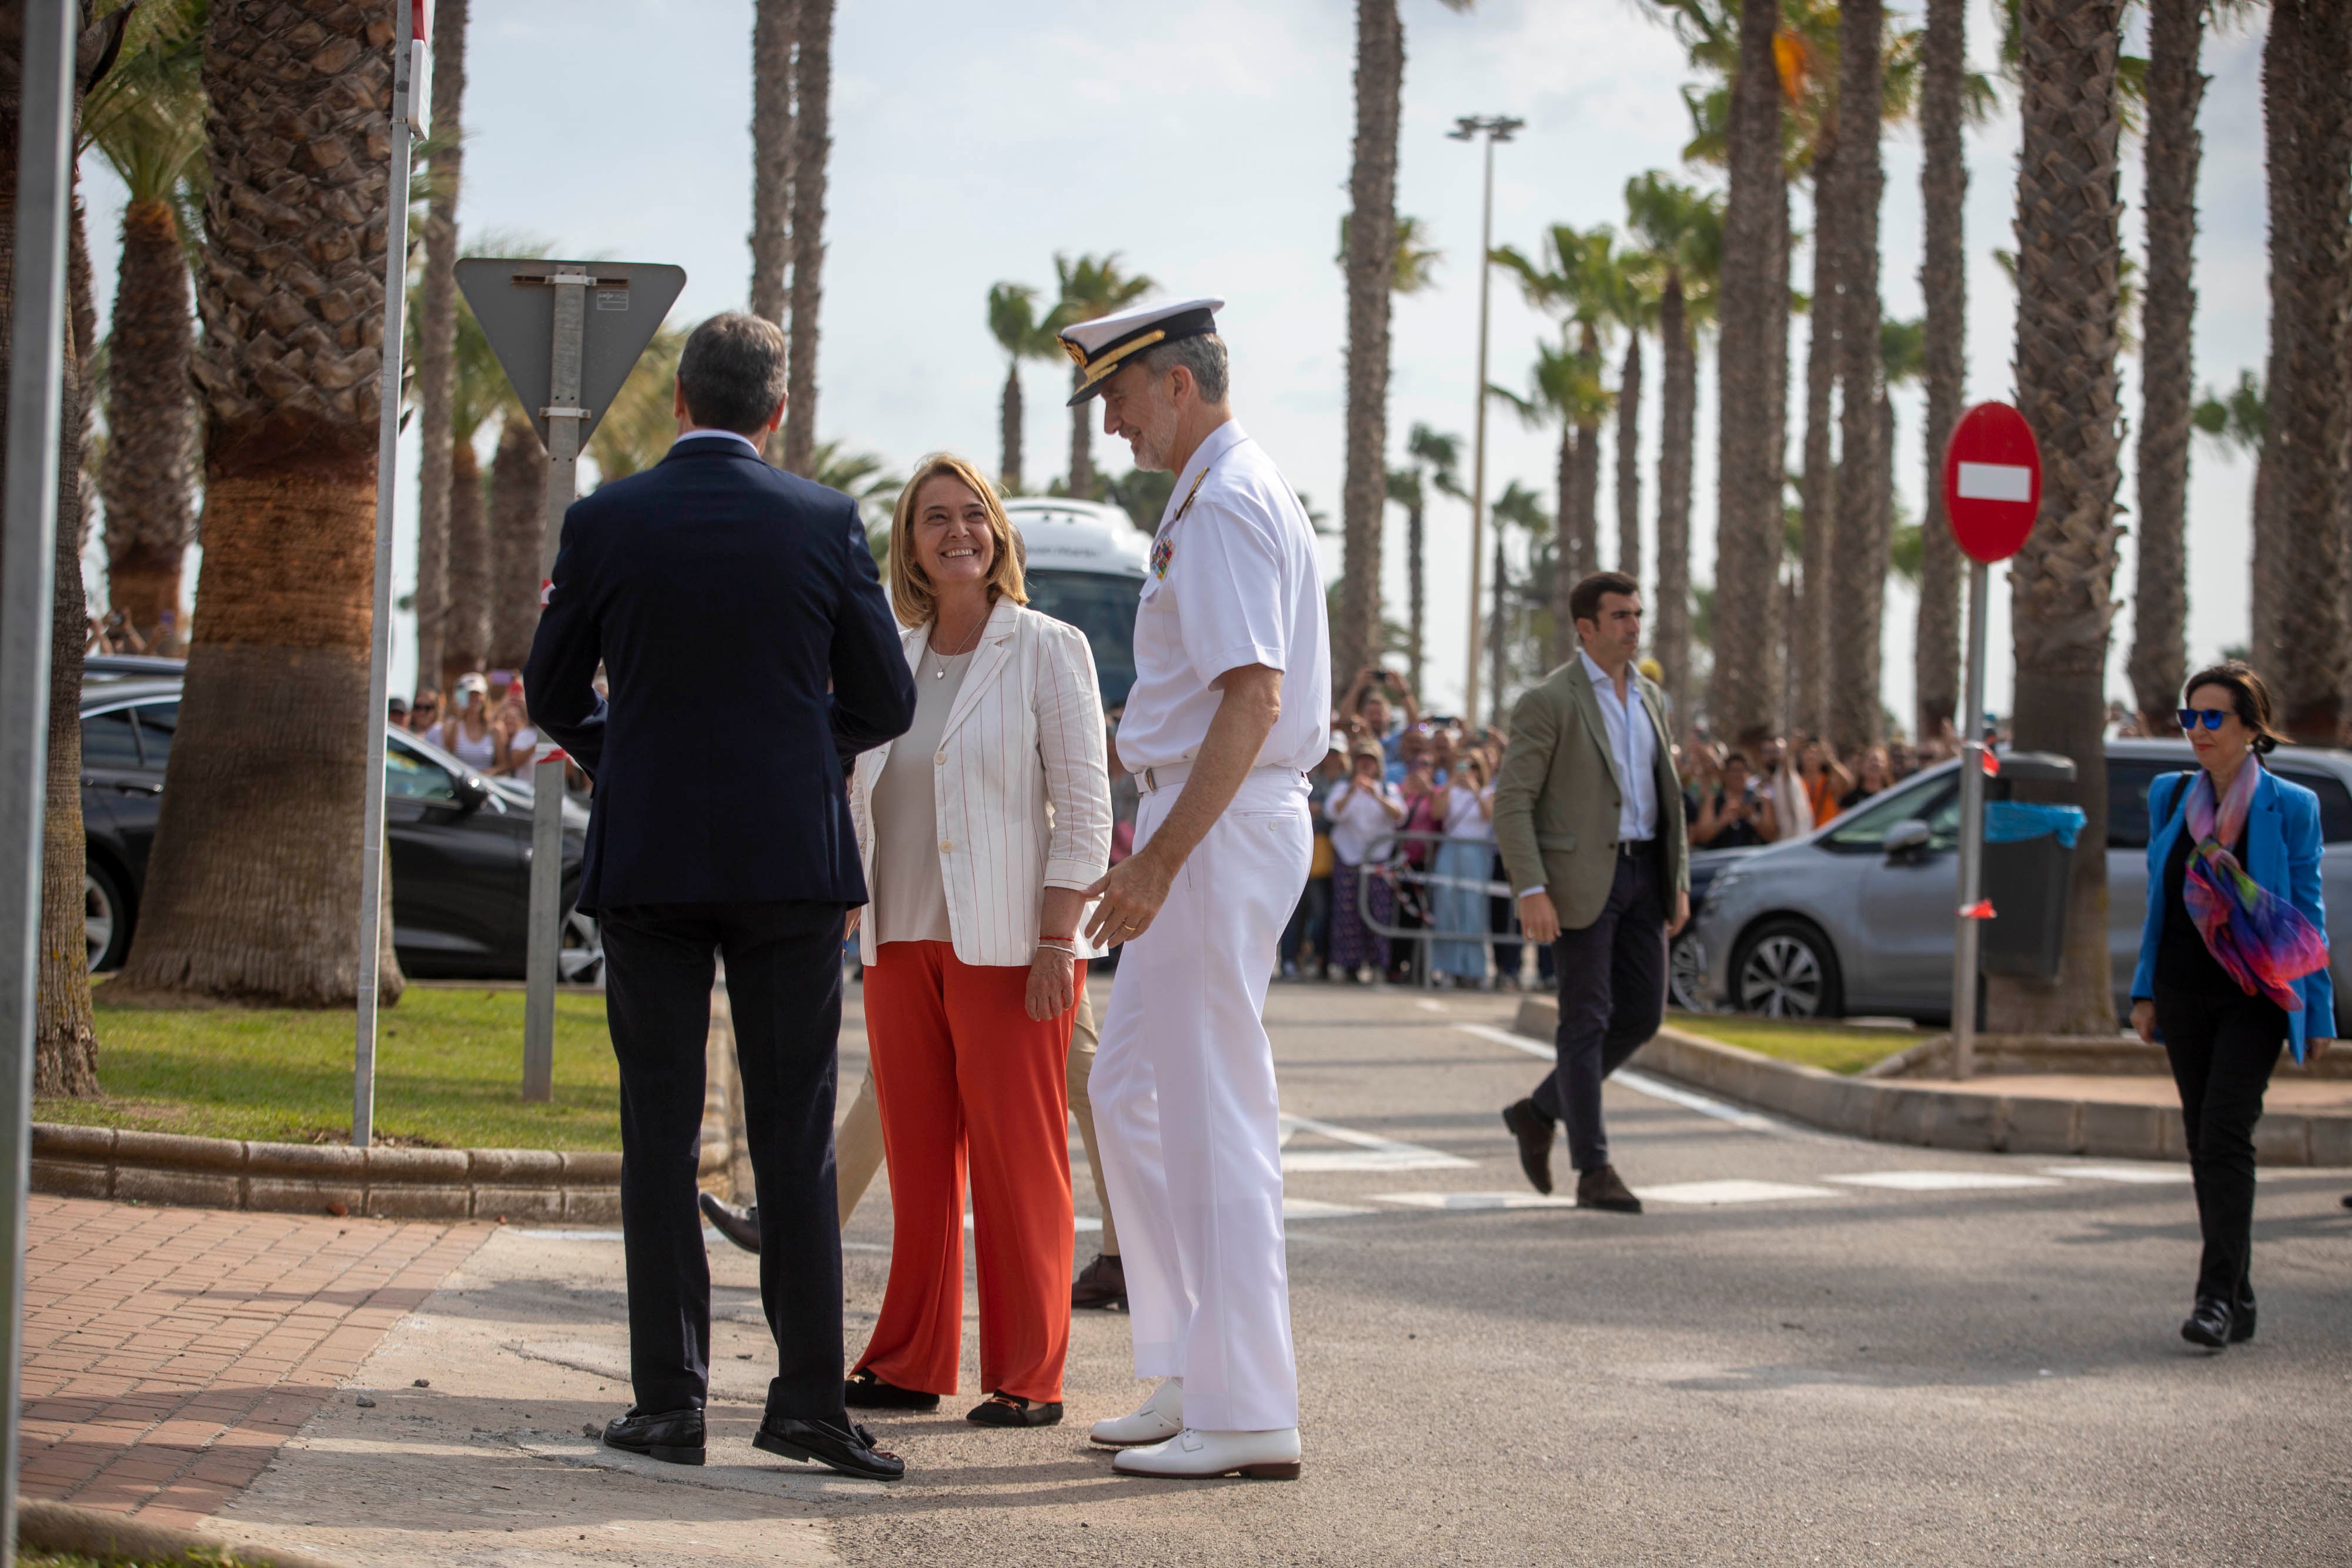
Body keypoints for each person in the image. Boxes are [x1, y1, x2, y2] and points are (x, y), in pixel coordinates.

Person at [524, 311, 915, 1481]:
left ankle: (667, 1404)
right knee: (793, 1133)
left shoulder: (604, 520)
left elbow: (549, 689)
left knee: (657, 1131)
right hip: (790, 862)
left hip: (649, 860)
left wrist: (621, 749)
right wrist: (806, 747)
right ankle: (804, 1401)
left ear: (680, 402)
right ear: (776, 411)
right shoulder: (823, 518)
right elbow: (885, 698)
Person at [1063, 295, 1327, 1481]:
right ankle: (1191, 1364)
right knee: (1128, 1094)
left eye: (1117, 395)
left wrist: (1161, 858)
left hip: (1212, 827)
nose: (1110, 422)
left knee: (1211, 1109)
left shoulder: (1221, 502)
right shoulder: (1214, 494)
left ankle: (1246, 1405)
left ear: (1174, 381)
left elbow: (1253, 695)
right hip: (1198, 815)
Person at [826, 452, 1111, 1427]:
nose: (958, 531)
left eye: (973, 515)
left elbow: (1084, 805)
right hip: (900, 938)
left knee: (1020, 1160)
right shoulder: (887, 654)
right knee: (917, 1159)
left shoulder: (1048, 647)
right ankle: (909, 1357)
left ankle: (1030, 1373)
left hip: (1011, 947)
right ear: (909, 540)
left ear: (998, 534)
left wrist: (1055, 938)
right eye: (935, 516)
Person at [2127, 661, 2331, 1350]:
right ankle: (2236, 1298)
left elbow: (2308, 916)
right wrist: (2145, 990)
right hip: (2184, 992)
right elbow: (2157, 904)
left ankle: (2213, 1297)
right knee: (2202, 1141)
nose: (2198, 731)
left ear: (2250, 727)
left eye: (2213, 717)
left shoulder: (2290, 807)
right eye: (2190, 717)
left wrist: (2319, 1016)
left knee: (2223, 1134)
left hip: (2256, 996)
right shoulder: (2167, 797)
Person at [1493, 571, 1690, 1214]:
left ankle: (1538, 1109)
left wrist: (1676, 881)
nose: (1635, 625)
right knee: (1586, 1021)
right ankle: (1594, 1169)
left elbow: (1668, 800)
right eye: (1621, 616)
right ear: (1586, 628)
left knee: (1642, 1015)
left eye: (1638, 613)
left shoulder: (1652, 700)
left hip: (1643, 877)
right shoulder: (1549, 701)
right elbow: (1513, 802)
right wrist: (1531, 888)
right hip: (1577, 885)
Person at [1324, 742, 1403, 983]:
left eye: (1371, 760)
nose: (1366, 765)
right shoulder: (1342, 788)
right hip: (1349, 859)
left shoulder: (1388, 789)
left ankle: (1379, 964)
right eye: (1362, 760)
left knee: (1378, 913)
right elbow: (1332, 813)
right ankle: (1349, 965)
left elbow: (1400, 815)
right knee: (1347, 914)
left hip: (1377, 861)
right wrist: (1352, 792)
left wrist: (1376, 795)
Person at [1429, 751, 1494, 986]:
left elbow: (1488, 815)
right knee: (1446, 908)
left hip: (1475, 853)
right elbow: (1437, 813)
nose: (1469, 771)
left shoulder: (1488, 792)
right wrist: (1451, 783)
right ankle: (1446, 967)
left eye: (1474, 766)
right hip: (1450, 850)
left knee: (1473, 910)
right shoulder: (1451, 791)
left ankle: (1475, 969)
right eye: (1465, 765)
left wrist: (1475, 789)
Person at [1692, 750, 1776, 848]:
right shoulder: (1713, 801)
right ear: (1725, 774)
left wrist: (1751, 817)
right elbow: (1702, 836)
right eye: (1734, 771)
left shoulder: (1762, 800)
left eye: (1743, 770)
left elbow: (1771, 835)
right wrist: (1722, 821)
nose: (1738, 775)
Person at [426, 672, 506, 775]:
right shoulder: (451, 725)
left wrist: (483, 777)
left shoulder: (496, 729)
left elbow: (503, 765)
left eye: (478, 694)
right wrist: (459, 714)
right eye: (470, 694)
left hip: (486, 786)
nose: (475, 698)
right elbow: (450, 750)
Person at [1840, 744, 1892, 811]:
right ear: (1861, 766)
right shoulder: (1850, 799)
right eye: (1871, 760)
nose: (1875, 764)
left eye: (1879, 761)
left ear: (1887, 768)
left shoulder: (1892, 798)